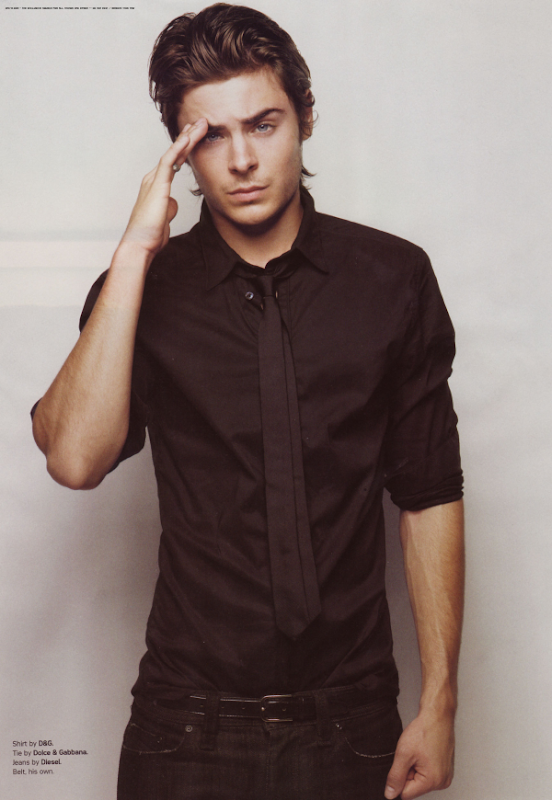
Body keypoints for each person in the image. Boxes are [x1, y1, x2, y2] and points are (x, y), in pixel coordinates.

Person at [31, 4, 464, 799]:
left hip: (353, 721)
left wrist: (440, 701)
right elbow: (74, 458)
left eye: (264, 125)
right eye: (210, 138)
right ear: (179, 153)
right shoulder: (143, 292)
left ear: (305, 118)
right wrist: (134, 252)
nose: (241, 160)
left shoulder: (392, 280)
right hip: (185, 730)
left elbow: (429, 494)